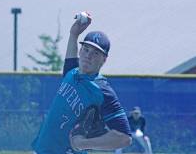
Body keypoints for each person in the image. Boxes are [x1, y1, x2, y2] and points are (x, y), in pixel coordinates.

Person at [31, 12, 132, 154]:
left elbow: (125, 138)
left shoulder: (102, 90)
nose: (88, 56)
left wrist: (84, 144)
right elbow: (71, 57)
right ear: (80, 51)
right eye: (86, 49)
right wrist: (74, 35)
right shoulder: (72, 72)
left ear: (104, 60)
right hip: (42, 148)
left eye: (95, 53)